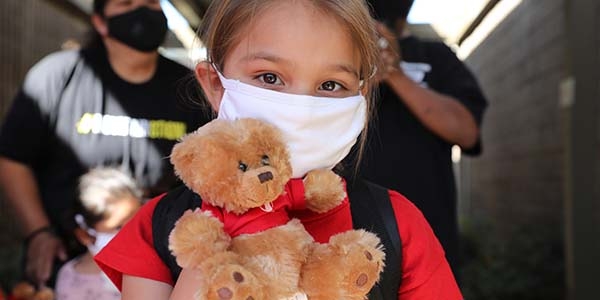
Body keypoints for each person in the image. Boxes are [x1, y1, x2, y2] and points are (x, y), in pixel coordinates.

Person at [94, 0, 463, 299]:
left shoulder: (396, 223)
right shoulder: (162, 226)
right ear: (215, 85)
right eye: (269, 78)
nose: (301, 107)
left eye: (331, 85)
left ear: (360, 97)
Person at [0, 0, 210, 289]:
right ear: (100, 22)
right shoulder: (57, 76)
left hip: (160, 259)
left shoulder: (187, 88)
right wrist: (39, 233)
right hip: (70, 256)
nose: (142, 11)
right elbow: (12, 158)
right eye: (127, 3)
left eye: (151, 2)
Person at [347, 0, 488, 275]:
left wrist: (394, 74)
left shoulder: (435, 55)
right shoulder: (334, 56)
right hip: (344, 241)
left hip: (428, 237)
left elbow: (467, 132)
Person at [55, 167, 142, 300]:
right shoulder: (71, 281)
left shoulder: (156, 266)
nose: (132, 232)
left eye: (137, 220)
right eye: (118, 227)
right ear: (84, 235)